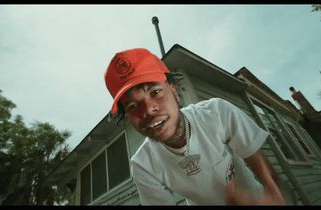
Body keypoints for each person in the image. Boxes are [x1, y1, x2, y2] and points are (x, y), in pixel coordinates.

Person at [103, 48, 285, 205]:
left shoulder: (216, 113)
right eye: (133, 106)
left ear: (174, 91)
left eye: (155, 92)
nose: (149, 110)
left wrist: (273, 197)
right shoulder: (143, 165)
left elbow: (265, 170)